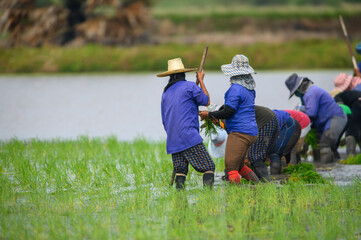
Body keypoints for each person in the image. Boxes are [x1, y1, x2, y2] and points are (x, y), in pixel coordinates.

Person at [199, 54, 258, 184]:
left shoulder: (235, 89)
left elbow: (229, 112)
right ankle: (259, 188)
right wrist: (215, 111)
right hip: (251, 131)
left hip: (239, 133)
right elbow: (231, 108)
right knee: (240, 166)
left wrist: (208, 115)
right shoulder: (249, 88)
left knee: (231, 167)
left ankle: (235, 198)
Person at [158, 57, 215, 190]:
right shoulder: (190, 86)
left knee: (181, 171)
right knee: (209, 167)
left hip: (173, 139)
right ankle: (209, 199)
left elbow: (164, 119)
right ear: (183, 74)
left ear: (171, 76)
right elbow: (206, 101)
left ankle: (179, 202)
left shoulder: (165, 93)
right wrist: (201, 80)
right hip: (188, 135)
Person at [285, 73, 347, 163]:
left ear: (299, 88)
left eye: (295, 93)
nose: (296, 95)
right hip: (327, 120)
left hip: (335, 118)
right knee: (322, 143)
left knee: (325, 144)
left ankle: (327, 169)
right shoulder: (308, 93)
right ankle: (333, 165)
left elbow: (311, 114)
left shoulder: (311, 93)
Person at [269, 110, 301, 174]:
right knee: (281, 150)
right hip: (286, 123)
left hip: (291, 123)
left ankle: (288, 172)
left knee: (277, 152)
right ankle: (286, 171)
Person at [334, 90, 361, 156]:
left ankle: (350, 155)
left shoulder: (337, 98)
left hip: (356, 104)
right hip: (357, 102)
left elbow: (342, 109)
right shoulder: (350, 93)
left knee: (351, 131)